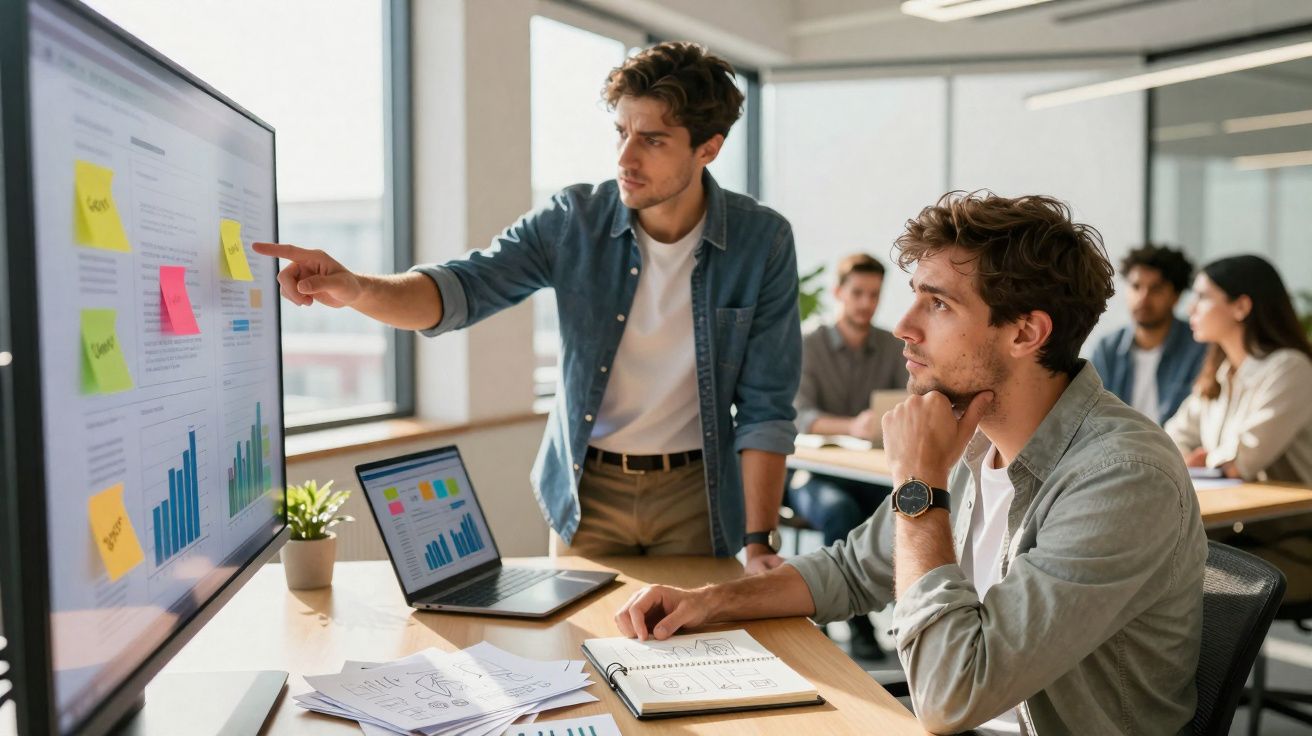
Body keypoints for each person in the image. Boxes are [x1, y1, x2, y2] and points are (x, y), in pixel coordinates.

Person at [613, 191, 1207, 735]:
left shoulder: (1122, 476)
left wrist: (919, 485)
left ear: (1026, 332)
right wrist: (709, 602)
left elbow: (952, 696)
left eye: (938, 304)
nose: (903, 326)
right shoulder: (972, 441)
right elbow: (849, 571)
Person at [253, 42, 802, 572]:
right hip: (589, 493)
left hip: (697, 494)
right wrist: (356, 288)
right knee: (581, 655)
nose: (625, 158)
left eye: (652, 140)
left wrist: (758, 544)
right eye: (620, 132)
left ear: (708, 147)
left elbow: (766, 409)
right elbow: (460, 290)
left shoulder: (763, 242)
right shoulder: (573, 220)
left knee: (693, 659)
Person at [1165, 254, 1312, 602]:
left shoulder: (1290, 368)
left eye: (1202, 297)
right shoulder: (1219, 374)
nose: (1191, 310)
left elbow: (1242, 457)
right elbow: (1170, 439)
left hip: (1295, 541)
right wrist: (1194, 458)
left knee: (1166, 580)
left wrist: (1205, 460)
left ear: (1241, 306)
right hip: (1241, 537)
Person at [791, 252, 907, 660]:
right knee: (839, 510)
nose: (866, 303)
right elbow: (799, 415)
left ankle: (907, 619)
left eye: (874, 294)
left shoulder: (892, 346)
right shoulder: (809, 344)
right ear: (839, 292)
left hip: (869, 473)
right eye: (857, 293)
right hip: (812, 474)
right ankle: (855, 624)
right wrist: (850, 427)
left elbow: (906, 403)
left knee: (904, 511)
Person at [1091, 243, 1206, 424]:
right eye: (1136, 287)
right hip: (1119, 448)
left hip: (1176, 449)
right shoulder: (1107, 349)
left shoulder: (1199, 348)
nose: (1143, 298)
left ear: (1175, 296)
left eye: (1156, 289)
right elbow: (1094, 417)